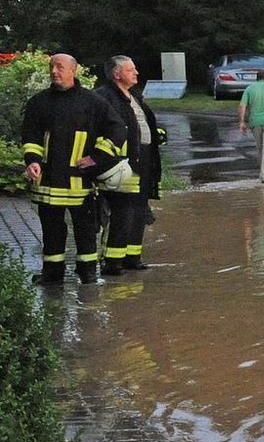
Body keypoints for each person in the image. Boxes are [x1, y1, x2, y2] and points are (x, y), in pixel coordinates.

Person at [20, 53, 125, 285]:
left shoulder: (93, 102)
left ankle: (88, 274)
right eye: (51, 67)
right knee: (51, 231)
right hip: (47, 184)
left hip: (81, 183)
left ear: (73, 70)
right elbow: (31, 136)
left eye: (59, 67)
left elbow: (117, 130)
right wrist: (33, 160)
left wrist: (96, 158)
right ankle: (52, 275)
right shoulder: (39, 102)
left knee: (86, 231)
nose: (54, 72)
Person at [94, 54, 166, 274]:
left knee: (138, 209)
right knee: (122, 211)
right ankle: (112, 261)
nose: (136, 73)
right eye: (130, 69)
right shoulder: (104, 97)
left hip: (142, 161)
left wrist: (157, 134)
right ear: (117, 74)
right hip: (121, 164)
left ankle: (132, 257)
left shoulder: (133, 95)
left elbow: (140, 124)